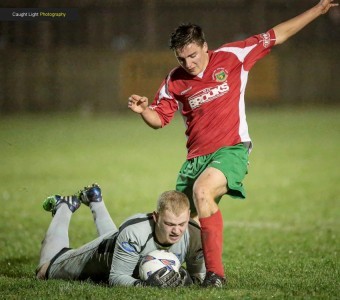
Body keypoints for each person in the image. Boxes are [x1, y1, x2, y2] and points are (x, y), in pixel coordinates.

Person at [128, 0, 338, 287]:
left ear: (204, 46)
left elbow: (278, 34)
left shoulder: (232, 56)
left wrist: (320, 8)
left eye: (192, 55)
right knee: (173, 223)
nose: (188, 64)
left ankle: (216, 277)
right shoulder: (174, 80)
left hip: (232, 149)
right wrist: (144, 112)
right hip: (195, 160)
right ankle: (140, 261)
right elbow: (159, 119)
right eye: (181, 59)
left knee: (203, 192)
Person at [36, 184, 206, 287]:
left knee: (123, 241)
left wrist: (189, 280)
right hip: (102, 254)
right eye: (169, 224)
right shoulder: (136, 232)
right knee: (44, 271)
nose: (176, 230)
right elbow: (116, 277)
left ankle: (94, 198)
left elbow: (200, 277)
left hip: (122, 243)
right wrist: (143, 286)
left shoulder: (194, 234)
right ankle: (64, 207)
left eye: (181, 224)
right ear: (156, 217)